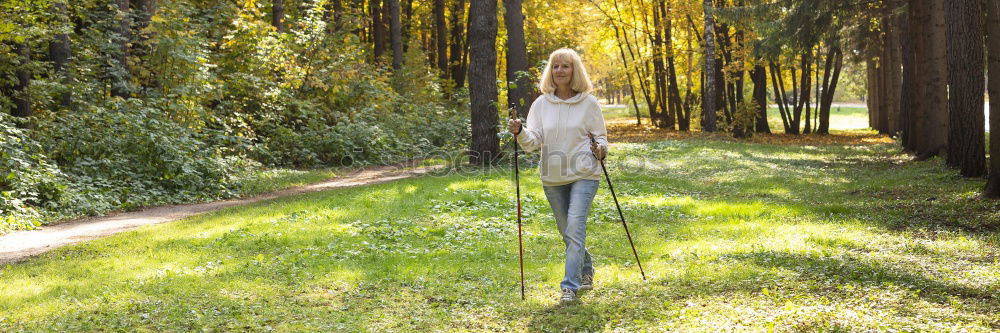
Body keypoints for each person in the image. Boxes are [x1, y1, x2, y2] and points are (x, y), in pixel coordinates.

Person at [507, 48, 609, 304]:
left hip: (584, 173)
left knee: (575, 227)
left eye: (566, 66)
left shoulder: (589, 103)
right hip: (553, 177)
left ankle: (569, 287)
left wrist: (601, 149)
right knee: (567, 231)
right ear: (550, 72)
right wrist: (520, 132)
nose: (560, 71)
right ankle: (586, 269)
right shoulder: (541, 104)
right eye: (555, 66)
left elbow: (602, 138)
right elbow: (533, 142)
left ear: (575, 71)